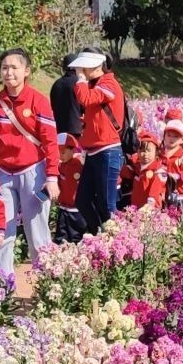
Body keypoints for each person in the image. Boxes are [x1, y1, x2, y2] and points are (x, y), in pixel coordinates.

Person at [0, 49, 59, 274]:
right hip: (3, 173)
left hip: (33, 172)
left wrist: (52, 177)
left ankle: (46, 282)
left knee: (37, 233)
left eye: (14, 67)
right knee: (1, 231)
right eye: (4, 68)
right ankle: (1, 286)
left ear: (26, 71)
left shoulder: (38, 101)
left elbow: (50, 141)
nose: (9, 73)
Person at [69, 50, 126, 231]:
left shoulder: (109, 83)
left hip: (108, 150)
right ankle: (99, 234)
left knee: (107, 205)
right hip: (94, 151)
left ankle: (118, 240)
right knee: (82, 201)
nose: (80, 71)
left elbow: (86, 98)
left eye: (83, 67)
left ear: (96, 66)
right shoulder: (95, 85)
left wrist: (80, 79)